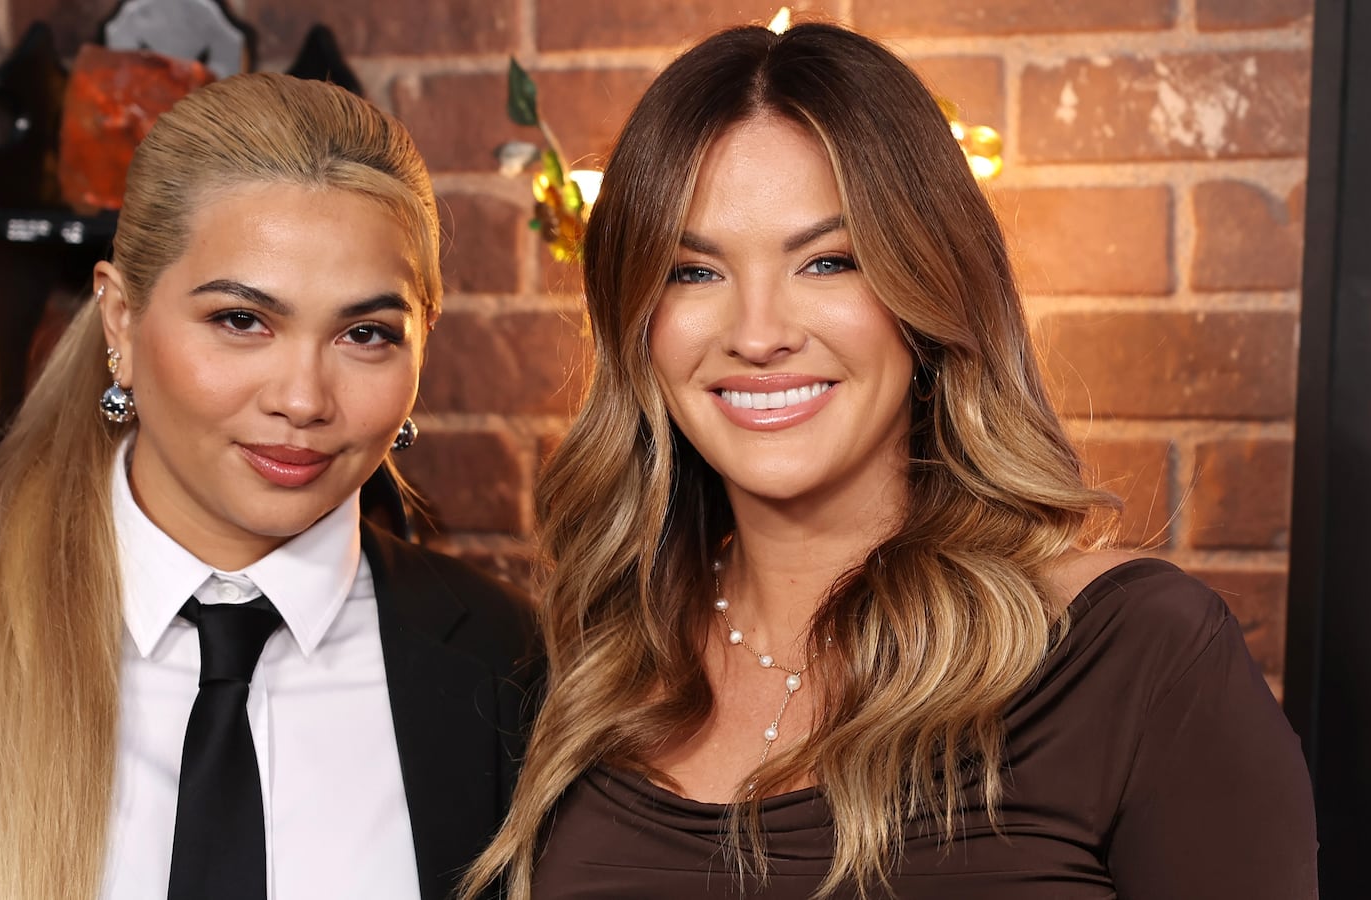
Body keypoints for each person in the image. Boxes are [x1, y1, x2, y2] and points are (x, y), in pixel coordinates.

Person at [459, 21, 1316, 900]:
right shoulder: (599, 661)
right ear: (636, 324)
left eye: (829, 262)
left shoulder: (1137, 657)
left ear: (930, 293)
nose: (759, 334)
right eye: (693, 272)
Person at [0, 73, 539, 900]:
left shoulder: (509, 667)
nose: (304, 400)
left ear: (423, 343)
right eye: (241, 321)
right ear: (121, 321)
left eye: (365, 333)